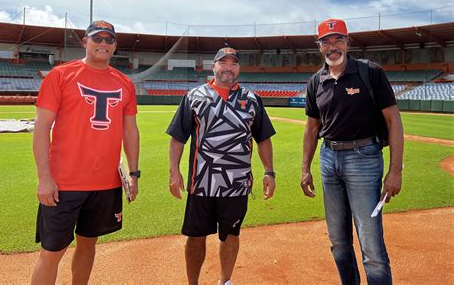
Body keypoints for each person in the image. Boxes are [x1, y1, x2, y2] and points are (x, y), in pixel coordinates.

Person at [31, 20, 140, 284]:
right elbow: (42, 127)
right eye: (97, 38)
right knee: (52, 251)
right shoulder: (61, 75)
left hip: (105, 183)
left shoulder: (125, 83)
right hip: (64, 182)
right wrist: (44, 177)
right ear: (85, 42)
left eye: (109, 40)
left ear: (115, 46)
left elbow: (130, 131)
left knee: (88, 245)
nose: (103, 44)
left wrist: (134, 173)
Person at [300, 18, 404, 285]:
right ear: (319, 47)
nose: (332, 46)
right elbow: (312, 129)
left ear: (347, 42)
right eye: (326, 41)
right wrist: (305, 168)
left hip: (364, 159)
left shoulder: (370, 72)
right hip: (328, 158)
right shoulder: (316, 82)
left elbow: (394, 121)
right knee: (338, 242)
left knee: (371, 244)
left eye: (338, 39)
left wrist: (394, 171)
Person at [167, 47, 276, 285]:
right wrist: (174, 172)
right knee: (196, 237)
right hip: (201, 183)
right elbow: (178, 138)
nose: (228, 67)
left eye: (233, 63)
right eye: (223, 62)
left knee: (231, 234)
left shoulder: (252, 100)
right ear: (213, 66)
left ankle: (225, 280)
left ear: (239, 68)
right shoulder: (194, 96)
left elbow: (263, 139)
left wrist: (269, 172)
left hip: (236, 184)